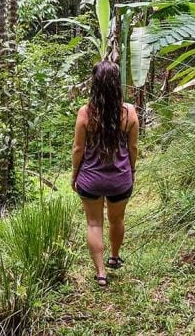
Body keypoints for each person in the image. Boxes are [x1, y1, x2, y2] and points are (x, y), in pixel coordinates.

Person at [70, 60, 139, 287]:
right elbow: (133, 148)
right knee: (117, 219)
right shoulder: (129, 112)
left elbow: (78, 149)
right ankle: (115, 257)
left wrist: (74, 175)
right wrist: (131, 171)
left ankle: (100, 273)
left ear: (95, 84)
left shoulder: (86, 112)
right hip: (120, 179)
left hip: (91, 179)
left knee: (93, 223)